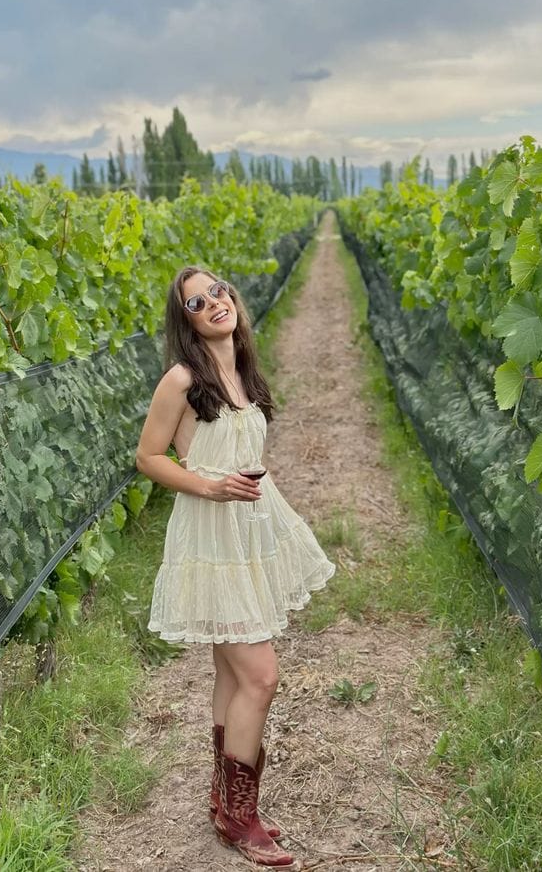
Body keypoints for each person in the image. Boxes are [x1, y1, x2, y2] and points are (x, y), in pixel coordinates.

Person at [136, 266, 335, 867]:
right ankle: (240, 819)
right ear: (188, 320)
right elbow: (148, 457)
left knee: (231, 674)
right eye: (196, 301)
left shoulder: (243, 368)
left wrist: (238, 483)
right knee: (260, 677)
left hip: (250, 529)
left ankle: (225, 804)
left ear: (232, 298)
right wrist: (209, 484)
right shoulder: (181, 378)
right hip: (213, 534)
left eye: (217, 290)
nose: (213, 302)